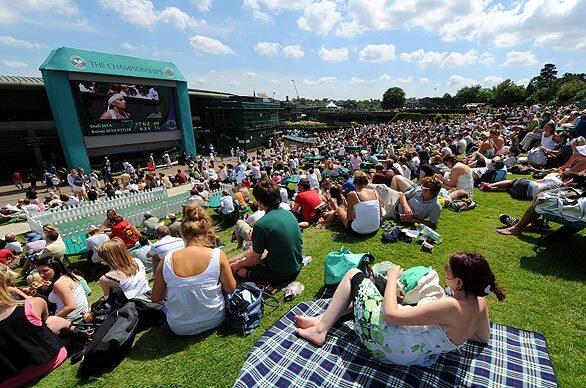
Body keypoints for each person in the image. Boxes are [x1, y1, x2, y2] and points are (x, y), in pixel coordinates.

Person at [296, 252, 505, 367]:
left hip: (388, 345)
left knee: (354, 275)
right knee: (369, 296)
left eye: (447, 271)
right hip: (413, 354)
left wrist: (393, 278)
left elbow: (391, 315)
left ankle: (320, 330)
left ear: (459, 282)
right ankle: (324, 319)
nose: (444, 272)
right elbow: (482, 337)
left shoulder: (451, 306)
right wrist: (457, 331)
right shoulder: (479, 304)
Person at [151, 203, 236, 335]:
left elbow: (155, 298)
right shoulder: (218, 254)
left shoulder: (166, 260)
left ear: (183, 233)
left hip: (179, 327)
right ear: (206, 231)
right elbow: (230, 288)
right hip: (216, 318)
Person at [0, 272, 71, 386]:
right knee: (51, 321)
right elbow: (45, 318)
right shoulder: (31, 305)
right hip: (51, 360)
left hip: (10, 380)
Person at [229, 179, 303, 286]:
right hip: (295, 264)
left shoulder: (261, 225)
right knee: (252, 252)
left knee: (238, 270)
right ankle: (226, 262)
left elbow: (255, 259)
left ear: (259, 201)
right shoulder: (289, 214)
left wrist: (239, 264)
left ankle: (228, 265)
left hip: (281, 274)